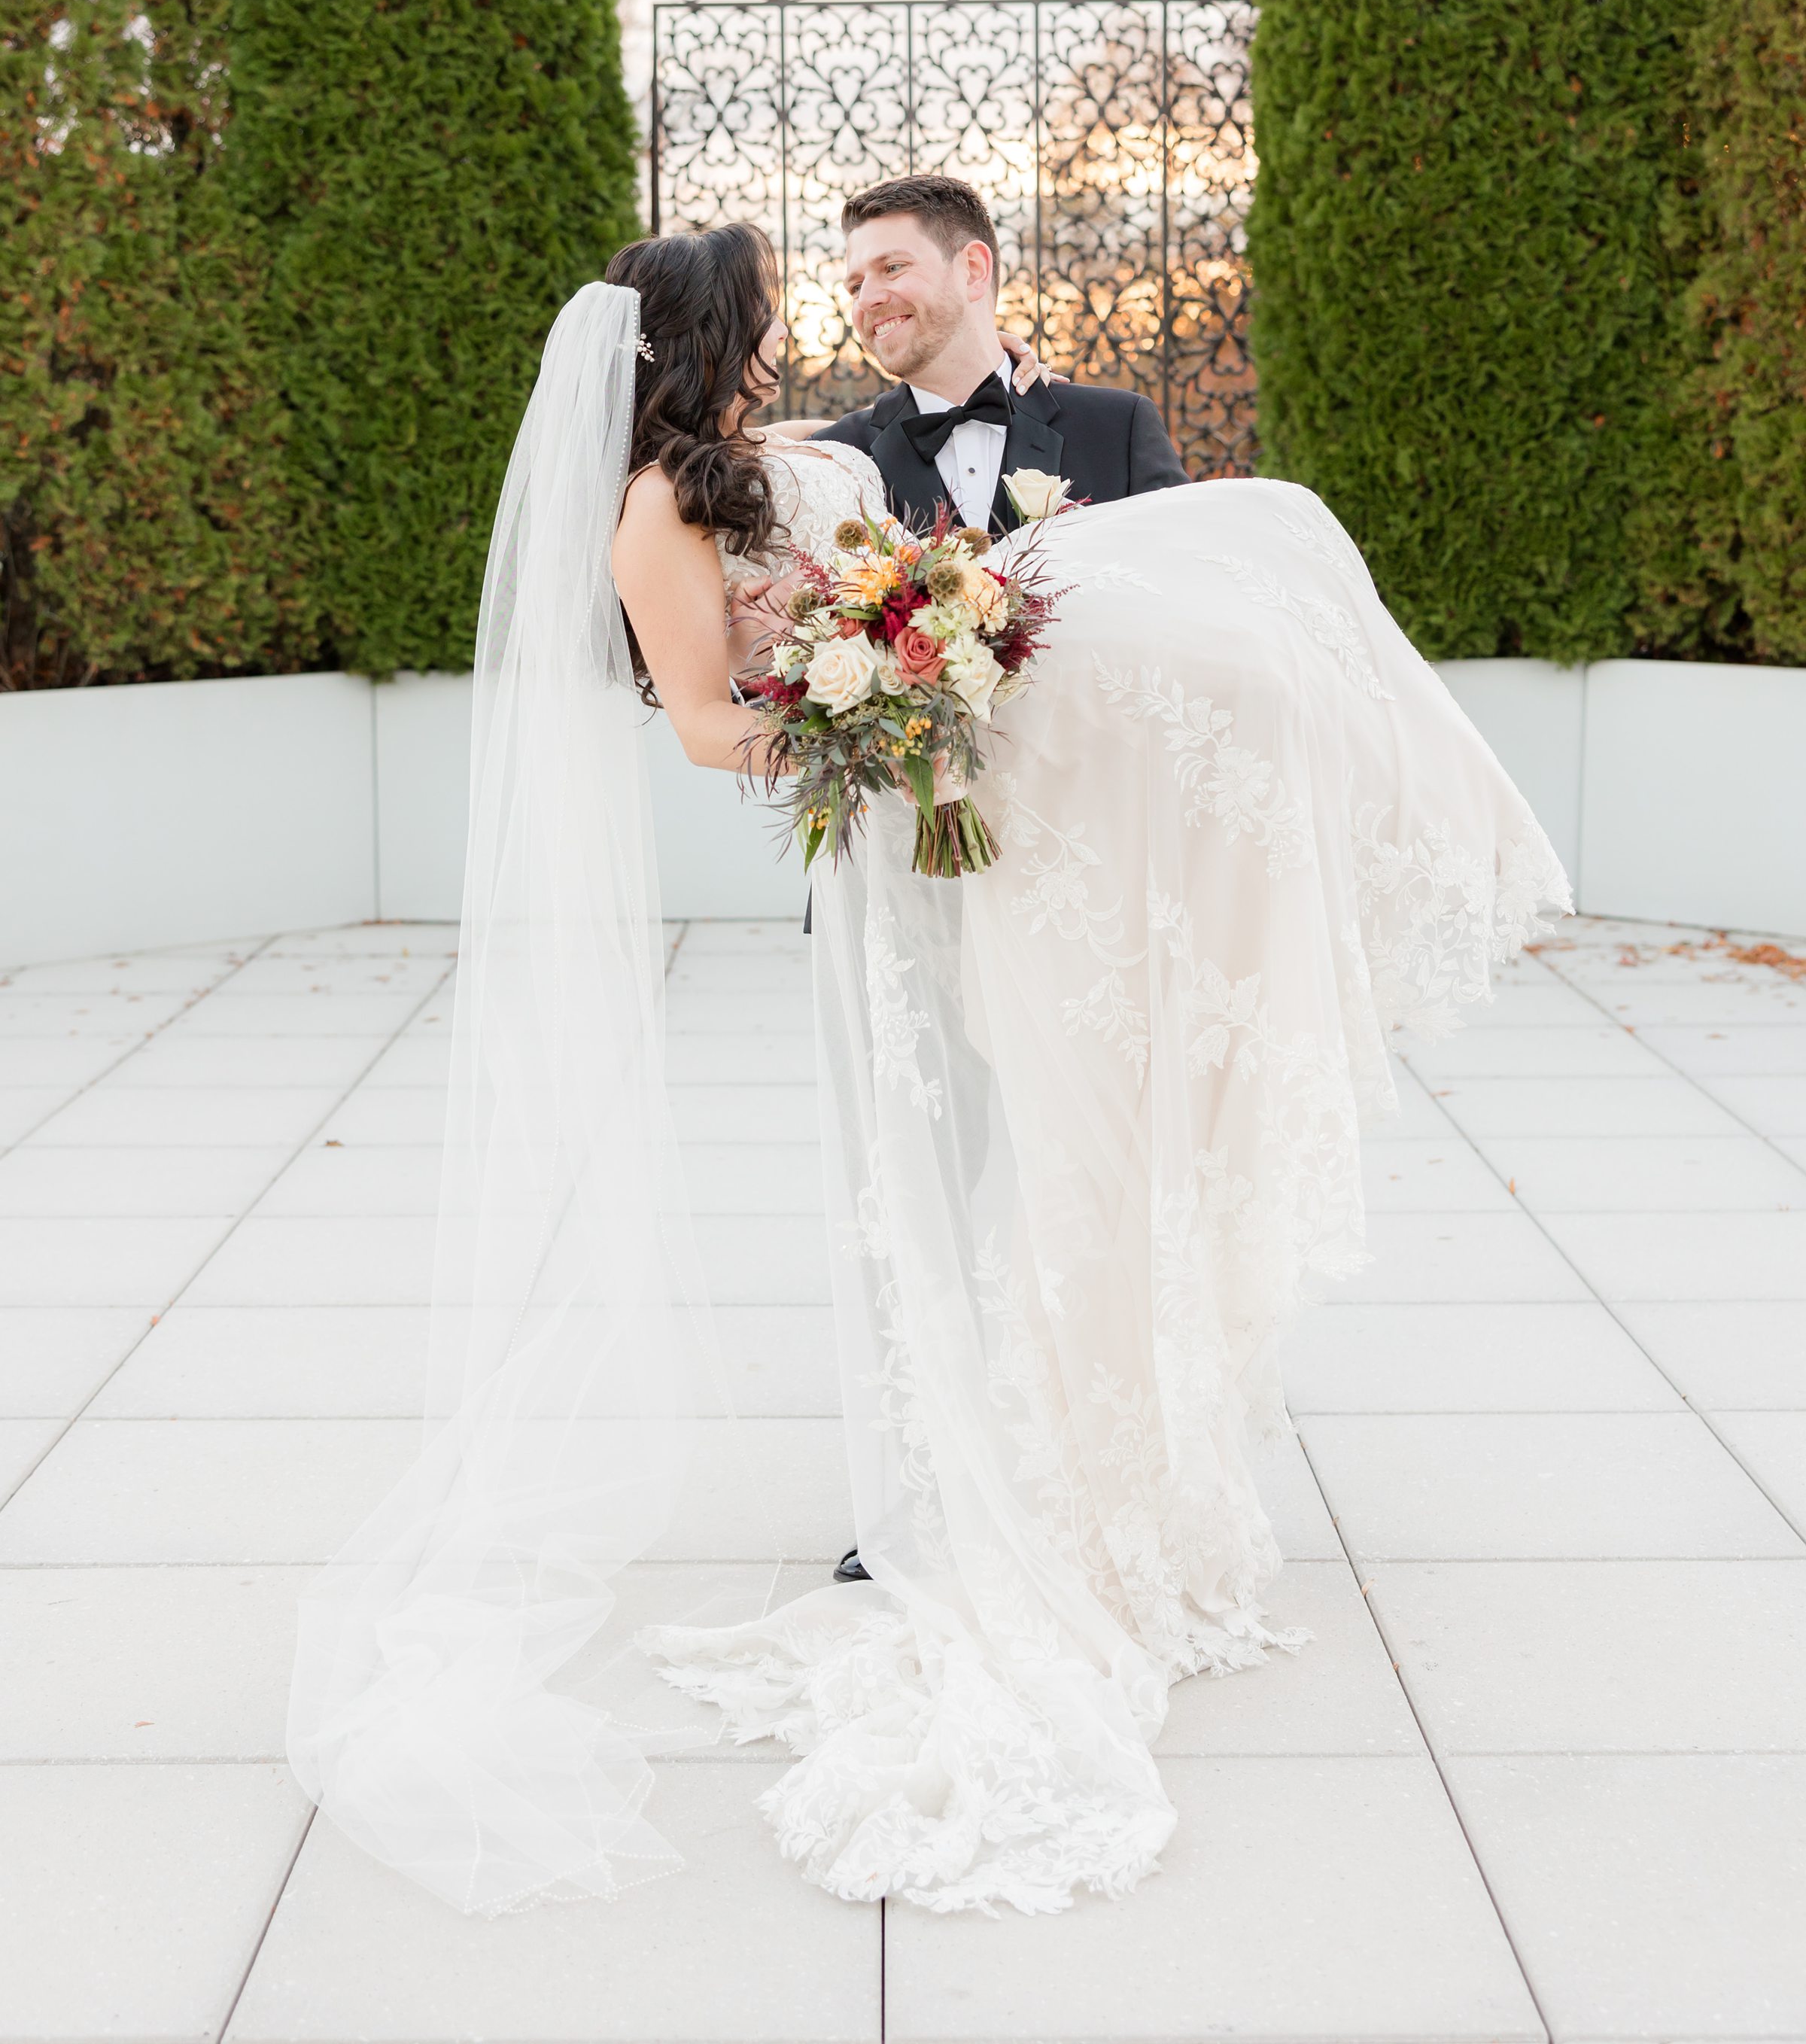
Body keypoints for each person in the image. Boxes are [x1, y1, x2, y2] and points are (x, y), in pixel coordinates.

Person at [287, 225, 1569, 1922]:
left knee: (1259, 582)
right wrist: (886, 712)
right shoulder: (655, 513)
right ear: (695, 332)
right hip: (911, 824)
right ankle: (987, 1473)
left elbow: (917, 583)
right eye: (754, 315)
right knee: (979, 1148)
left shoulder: (788, 458)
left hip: (1008, 785)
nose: (786, 336)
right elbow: (702, 721)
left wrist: (941, 639)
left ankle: (1101, 1451)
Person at [812, 172, 1189, 534]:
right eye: (856, 286)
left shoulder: (1117, 429)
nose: (867, 300)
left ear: (973, 270)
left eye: (892, 268)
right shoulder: (833, 458)